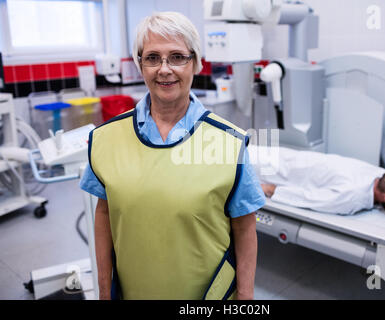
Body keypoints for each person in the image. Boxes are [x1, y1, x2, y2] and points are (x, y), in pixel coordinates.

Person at [79, 12, 265, 300]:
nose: (164, 69)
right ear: (140, 64)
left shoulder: (229, 142)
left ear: (197, 63)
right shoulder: (106, 139)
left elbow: (245, 227)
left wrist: (245, 296)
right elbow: (104, 215)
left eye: (177, 57)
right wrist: (104, 292)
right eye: (152, 58)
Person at [249, 145, 385, 220]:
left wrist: (269, 189)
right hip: (283, 156)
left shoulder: (352, 196)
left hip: (269, 169)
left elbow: (310, 199)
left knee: (227, 152)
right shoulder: (379, 177)